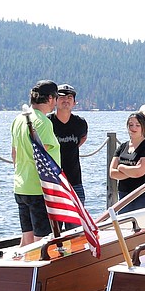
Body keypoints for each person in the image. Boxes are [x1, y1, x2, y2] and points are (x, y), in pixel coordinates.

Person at [12, 80, 61, 246]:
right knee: (42, 241)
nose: (56, 103)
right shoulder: (43, 122)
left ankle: (19, 269)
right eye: (56, 98)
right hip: (39, 188)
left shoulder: (18, 119)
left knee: (27, 238)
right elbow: (44, 155)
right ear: (49, 98)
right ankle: (39, 270)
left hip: (21, 185)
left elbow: (14, 153)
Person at [109, 113, 145, 213]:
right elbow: (112, 173)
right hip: (124, 196)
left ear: (143, 127)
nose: (133, 128)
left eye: (137, 125)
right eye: (130, 125)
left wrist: (121, 167)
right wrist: (132, 171)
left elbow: (139, 172)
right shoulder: (122, 147)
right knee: (124, 226)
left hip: (144, 195)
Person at [49, 84, 88, 203]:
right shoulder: (47, 122)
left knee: (77, 221)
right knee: (53, 221)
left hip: (75, 182)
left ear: (74, 103)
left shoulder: (80, 123)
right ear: (55, 101)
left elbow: (83, 138)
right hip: (53, 182)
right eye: (62, 97)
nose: (66, 100)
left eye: (69, 98)